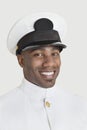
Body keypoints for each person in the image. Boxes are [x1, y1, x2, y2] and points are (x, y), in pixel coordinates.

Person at [0, 12, 87, 130]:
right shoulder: (3, 110)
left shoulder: (81, 106)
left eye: (54, 54)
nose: (49, 63)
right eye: (38, 54)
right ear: (21, 61)